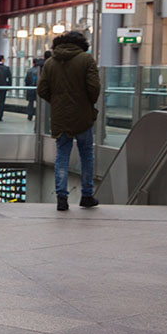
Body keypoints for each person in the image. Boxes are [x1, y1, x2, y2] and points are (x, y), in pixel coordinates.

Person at [37, 31, 100, 211]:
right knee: (86, 154)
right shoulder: (86, 60)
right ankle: (86, 195)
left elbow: (42, 90)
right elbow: (94, 87)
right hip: (83, 116)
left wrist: (56, 100)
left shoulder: (50, 63)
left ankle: (61, 198)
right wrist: (87, 101)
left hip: (60, 116)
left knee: (62, 155)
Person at [0, 54, 12, 121]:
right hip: (3, 87)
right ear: (2, 60)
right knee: (2, 102)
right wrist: (9, 86)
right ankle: (0, 116)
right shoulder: (6, 68)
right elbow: (10, 78)